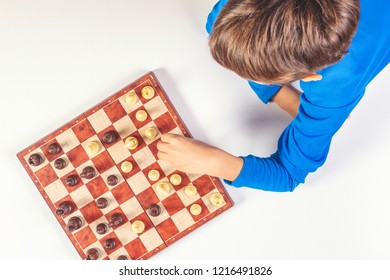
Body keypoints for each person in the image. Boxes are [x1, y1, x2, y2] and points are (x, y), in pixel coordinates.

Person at [157, 0, 390, 192]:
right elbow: (215, 22)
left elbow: (289, 174)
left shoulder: (335, 85)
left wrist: (215, 162)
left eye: (261, 78)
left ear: (309, 76)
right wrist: (287, 98)